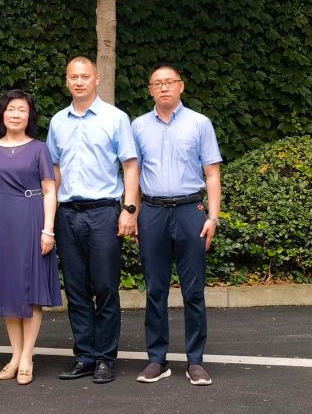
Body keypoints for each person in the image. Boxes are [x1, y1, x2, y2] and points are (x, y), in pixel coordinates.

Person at [46, 56, 139, 384]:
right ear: (67, 81)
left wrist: (130, 209)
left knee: (105, 287)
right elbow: (54, 170)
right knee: (76, 289)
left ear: (96, 79)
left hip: (103, 213)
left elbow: (130, 165)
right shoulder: (58, 121)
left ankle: (105, 358)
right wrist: (50, 216)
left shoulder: (115, 118)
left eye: (85, 76)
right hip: (67, 214)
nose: (79, 81)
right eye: (74, 76)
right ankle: (85, 356)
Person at [130, 63, 222, 386]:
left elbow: (212, 173)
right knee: (155, 290)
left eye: (170, 82)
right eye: (157, 83)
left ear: (181, 86)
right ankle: (157, 359)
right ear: (150, 90)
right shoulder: (138, 126)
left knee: (193, 291)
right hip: (153, 212)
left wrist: (213, 217)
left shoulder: (199, 123)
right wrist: (133, 214)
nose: (164, 87)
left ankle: (195, 361)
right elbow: (134, 174)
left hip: (189, 210)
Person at [0, 89, 61, 385]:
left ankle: (27, 357)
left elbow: (49, 190)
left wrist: (48, 229)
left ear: (29, 116)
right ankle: (14, 355)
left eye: (22, 110)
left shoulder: (39, 149)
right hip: (2, 222)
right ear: (2, 114)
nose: (15, 114)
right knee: (9, 291)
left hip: (33, 218)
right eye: (11, 109)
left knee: (32, 289)